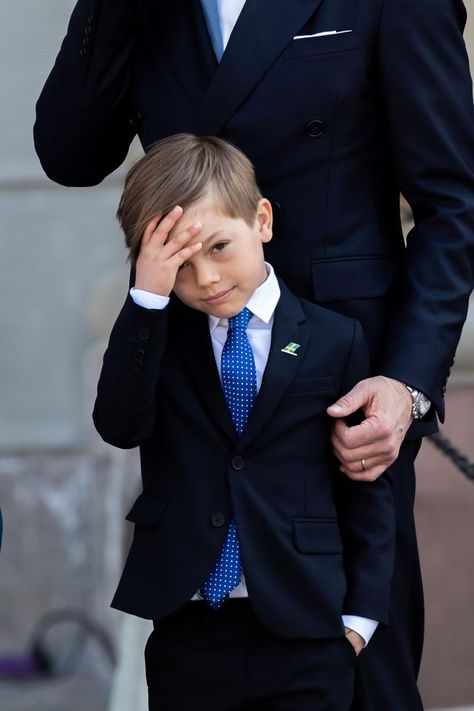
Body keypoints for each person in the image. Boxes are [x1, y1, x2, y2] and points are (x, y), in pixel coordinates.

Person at [34, 2, 474, 708]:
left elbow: (453, 203)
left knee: (366, 685)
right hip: (192, 390)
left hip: (344, 396)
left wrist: (408, 383)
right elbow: (70, 153)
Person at [93, 133, 395, 711]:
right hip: (190, 623)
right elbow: (119, 425)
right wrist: (147, 302)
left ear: (262, 220)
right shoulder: (159, 338)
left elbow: (366, 487)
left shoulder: (333, 338)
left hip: (307, 624)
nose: (205, 279)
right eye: (180, 265)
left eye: (219, 247)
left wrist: (360, 619)